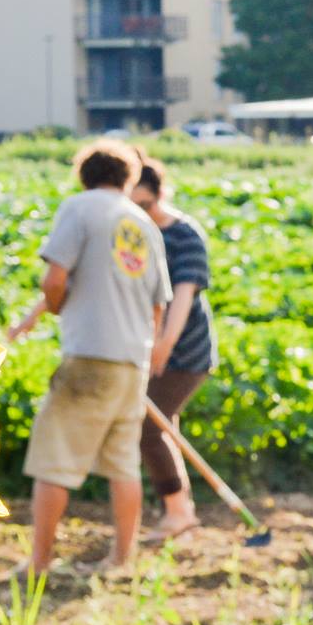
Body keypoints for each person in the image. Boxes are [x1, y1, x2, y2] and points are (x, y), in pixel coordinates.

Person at [9, 140, 171, 577]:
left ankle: (40, 562)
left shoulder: (80, 209)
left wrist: (57, 305)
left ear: (83, 175)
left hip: (90, 355)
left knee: (54, 460)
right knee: (123, 464)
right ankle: (122, 559)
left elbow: (54, 277)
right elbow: (159, 306)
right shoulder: (144, 224)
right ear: (129, 179)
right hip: (131, 361)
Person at [130, 155, 215, 542]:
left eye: (146, 205)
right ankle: (181, 510)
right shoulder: (130, 232)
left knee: (149, 428)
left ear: (161, 195)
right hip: (143, 344)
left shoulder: (184, 234)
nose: (140, 213)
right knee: (162, 426)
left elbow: (183, 297)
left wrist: (163, 346)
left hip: (186, 351)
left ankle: (178, 511)